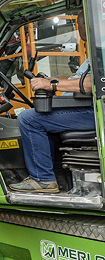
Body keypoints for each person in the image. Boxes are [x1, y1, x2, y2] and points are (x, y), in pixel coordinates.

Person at [9, 13, 94, 193]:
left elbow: (91, 84)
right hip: (88, 108)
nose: (79, 32)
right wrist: (53, 80)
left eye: (79, 26)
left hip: (94, 113)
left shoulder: (100, 50)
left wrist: (52, 85)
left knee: (29, 119)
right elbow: (79, 80)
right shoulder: (95, 52)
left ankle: (43, 179)